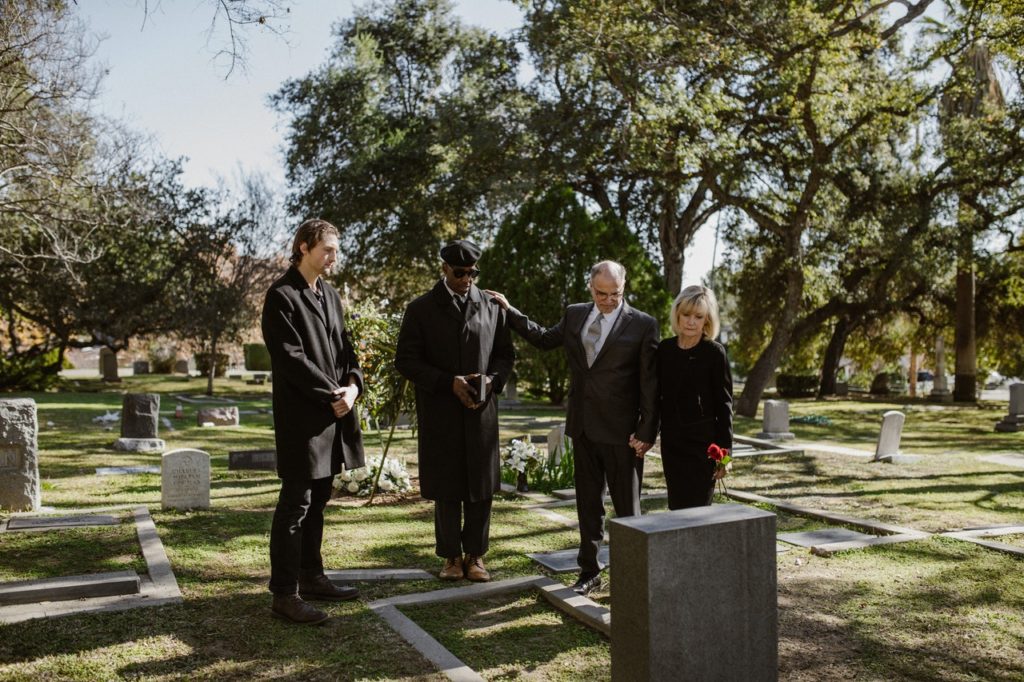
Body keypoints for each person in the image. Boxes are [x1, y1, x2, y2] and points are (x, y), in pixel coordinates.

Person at [486, 261, 658, 595]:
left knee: (628, 510)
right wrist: (510, 311)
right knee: (587, 505)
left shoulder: (644, 325)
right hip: (582, 427)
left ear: (625, 287)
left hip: (624, 434)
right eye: (600, 293)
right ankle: (589, 572)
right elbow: (543, 338)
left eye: (615, 294)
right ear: (590, 287)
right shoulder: (575, 314)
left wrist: (647, 431)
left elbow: (650, 383)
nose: (607, 300)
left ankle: (633, 578)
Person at [261, 218, 365, 625]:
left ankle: (312, 575)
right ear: (304, 247)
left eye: (336, 250)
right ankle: (284, 594)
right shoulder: (281, 296)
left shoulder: (331, 294)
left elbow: (347, 350)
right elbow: (290, 358)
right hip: (303, 418)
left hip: (333, 414)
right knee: (296, 504)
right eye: (328, 249)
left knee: (319, 499)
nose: (334, 257)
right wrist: (331, 394)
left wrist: (352, 387)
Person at [395, 239, 515, 583]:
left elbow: (506, 355)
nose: (467, 279)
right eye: (460, 273)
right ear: (444, 269)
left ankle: (476, 556)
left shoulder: (493, 307)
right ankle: (450, 557)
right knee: (447, 486)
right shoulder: (420, 309)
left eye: (472, 273)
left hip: (481, 412)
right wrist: (448, 382)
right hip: (441, 411)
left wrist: (492, 381)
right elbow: (406, 360)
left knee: (479, 487)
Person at [656, 285, 733, 510]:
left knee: (698, 511)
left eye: (698, 316)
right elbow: (655, 397)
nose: (691, 321)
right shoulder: (664, 350)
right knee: (676, 508)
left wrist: (725, 458)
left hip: (704, 448)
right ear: (677, 315)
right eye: (686, 315)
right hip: (672, 445)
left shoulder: (714, 353)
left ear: (707, 320)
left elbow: (725, 406)